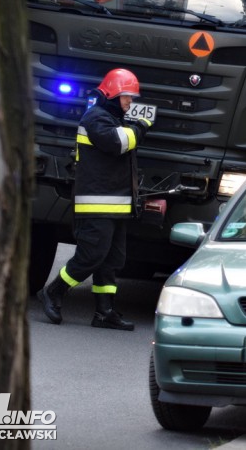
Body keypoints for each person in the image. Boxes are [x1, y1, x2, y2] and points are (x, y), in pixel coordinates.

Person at [37, 68, 153, 330]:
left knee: (113, 261)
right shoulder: (96, 119)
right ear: (112, 93)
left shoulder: (111, 118)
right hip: (96, 203)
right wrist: (141, 126)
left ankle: (104, 312)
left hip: (115, 204)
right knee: (91, 256)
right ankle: (53, 292)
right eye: (127, 97)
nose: (130, 103)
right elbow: (118, 143)